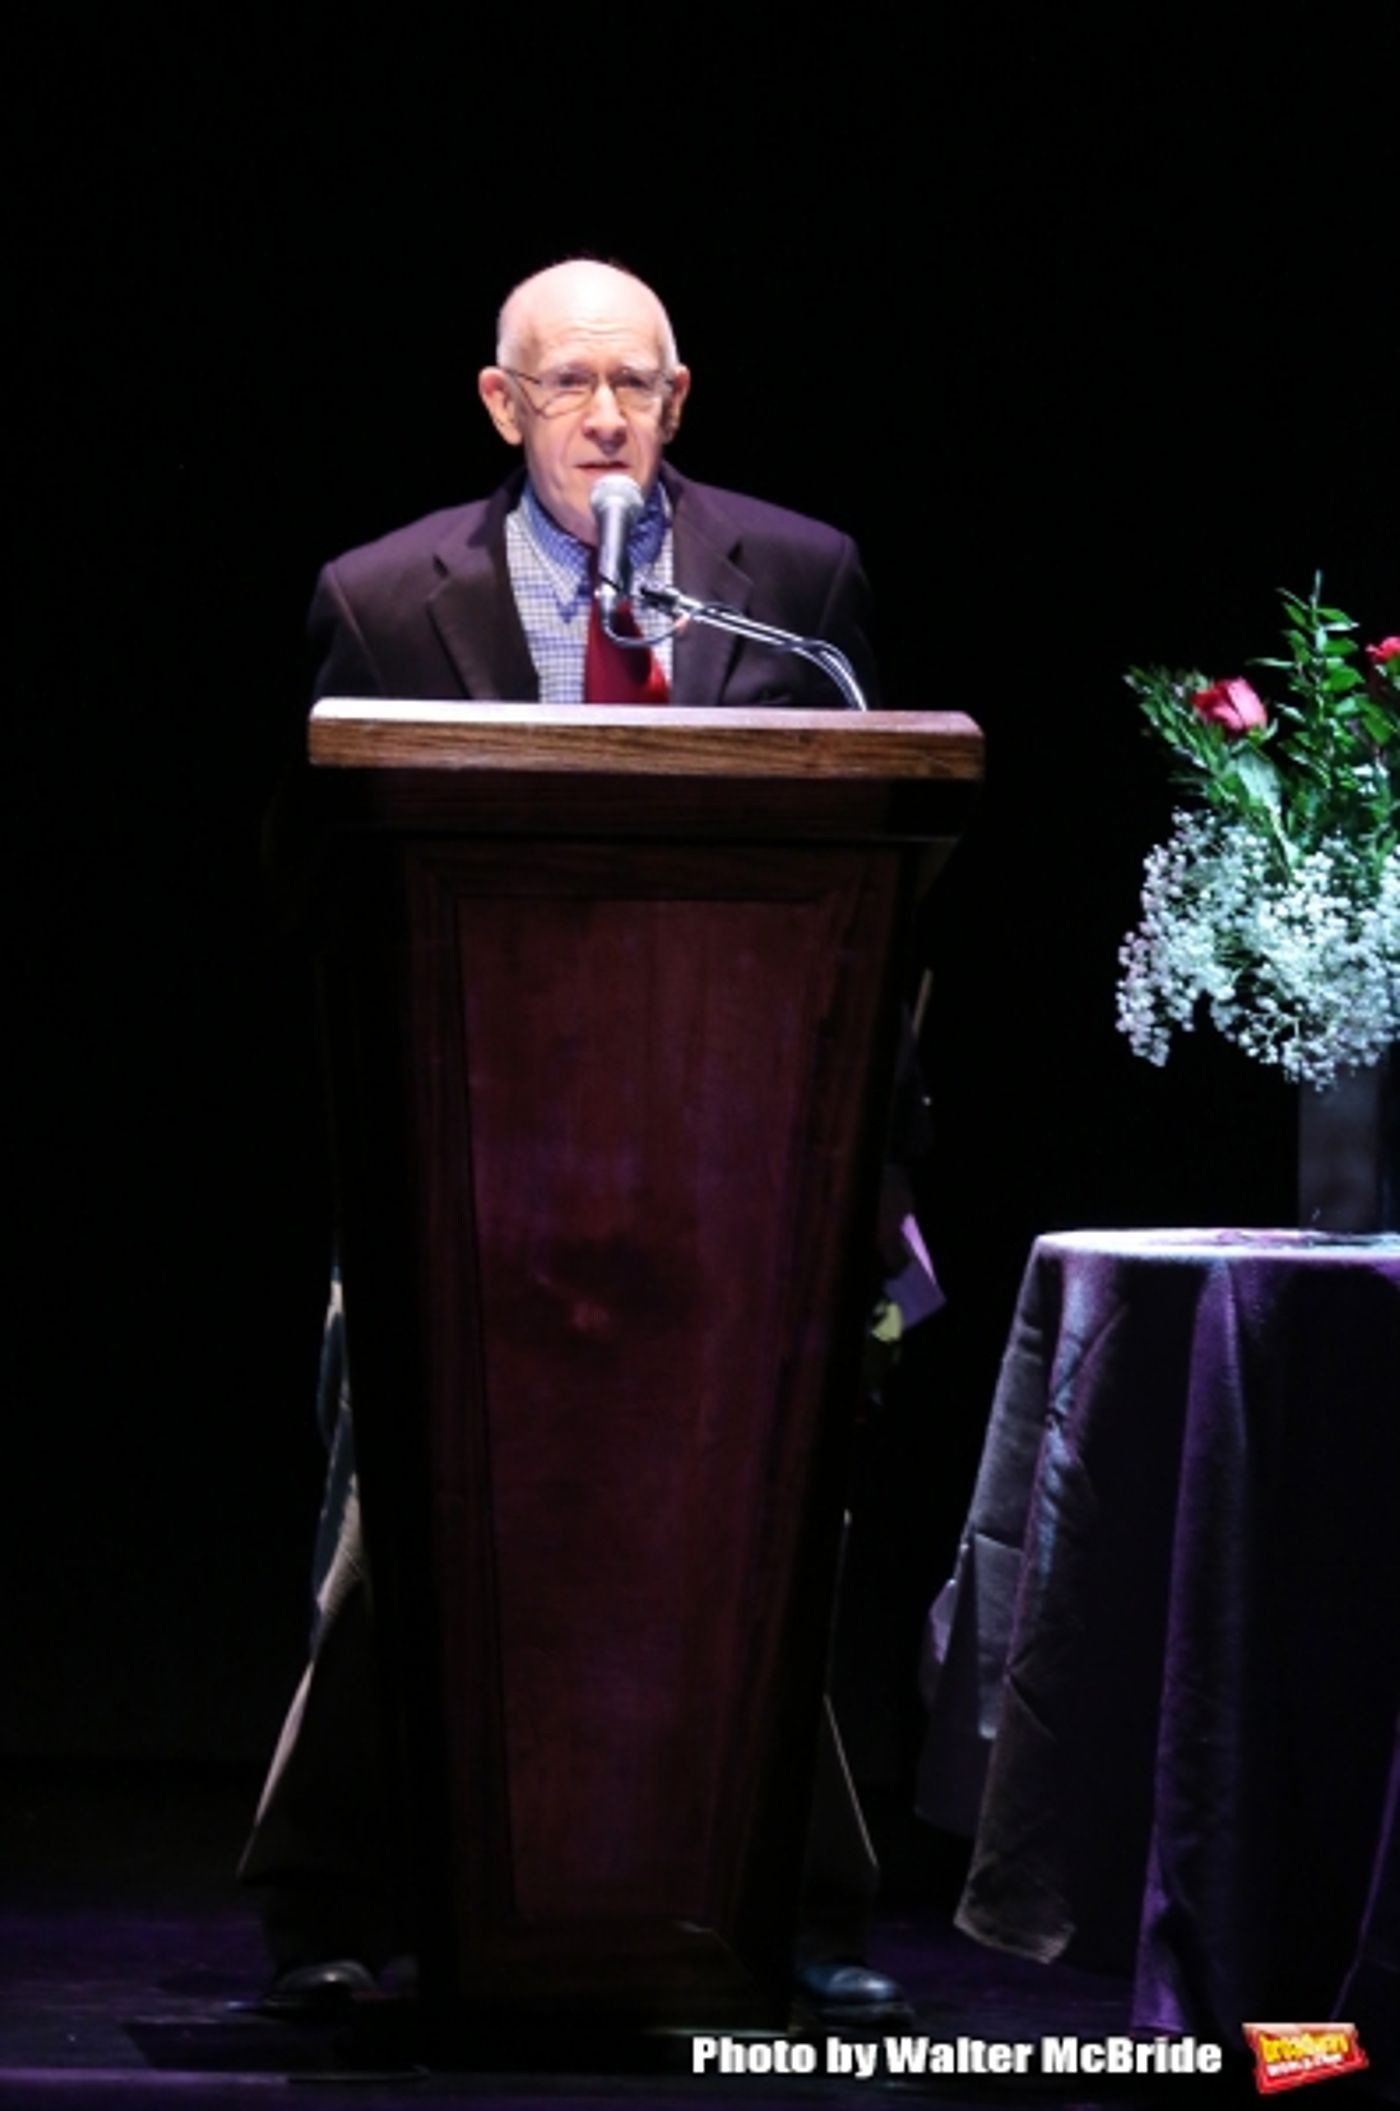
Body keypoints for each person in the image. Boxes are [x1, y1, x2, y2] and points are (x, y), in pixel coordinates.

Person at [242, 257, 912, 2027]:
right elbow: (305, 907)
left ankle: (794, 1900)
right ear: (499, 401)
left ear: (681, 398)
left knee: (759, 1531)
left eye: (636, 386)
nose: (603, 420)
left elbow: (879, 892)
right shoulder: (384, 600)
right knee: (399, 1530)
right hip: (462, 1165)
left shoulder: (799, 589)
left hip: (733, 1162)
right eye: (566, 388)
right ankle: (335, 1897)